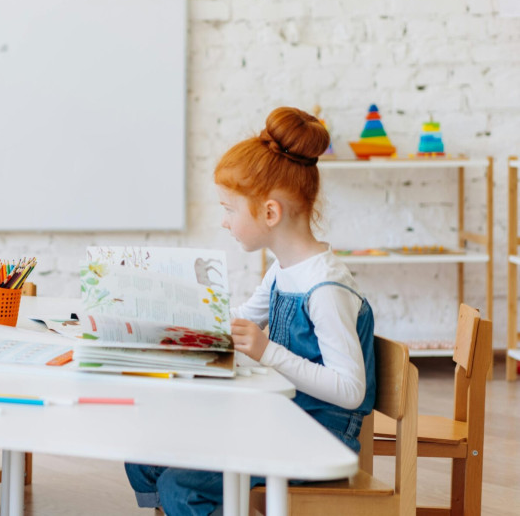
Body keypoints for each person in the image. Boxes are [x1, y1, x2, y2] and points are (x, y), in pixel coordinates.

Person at [124, 107, 377, 515]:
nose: (225, 222)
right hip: (280, 416)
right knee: (144, 454)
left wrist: (266, 351)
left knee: (181, 487)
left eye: (229, 209)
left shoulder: (325, 288)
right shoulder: (283, 269)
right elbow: (241, 317)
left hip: (316, 434)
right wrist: (170, 321)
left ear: (270, 213)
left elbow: (350, 390)